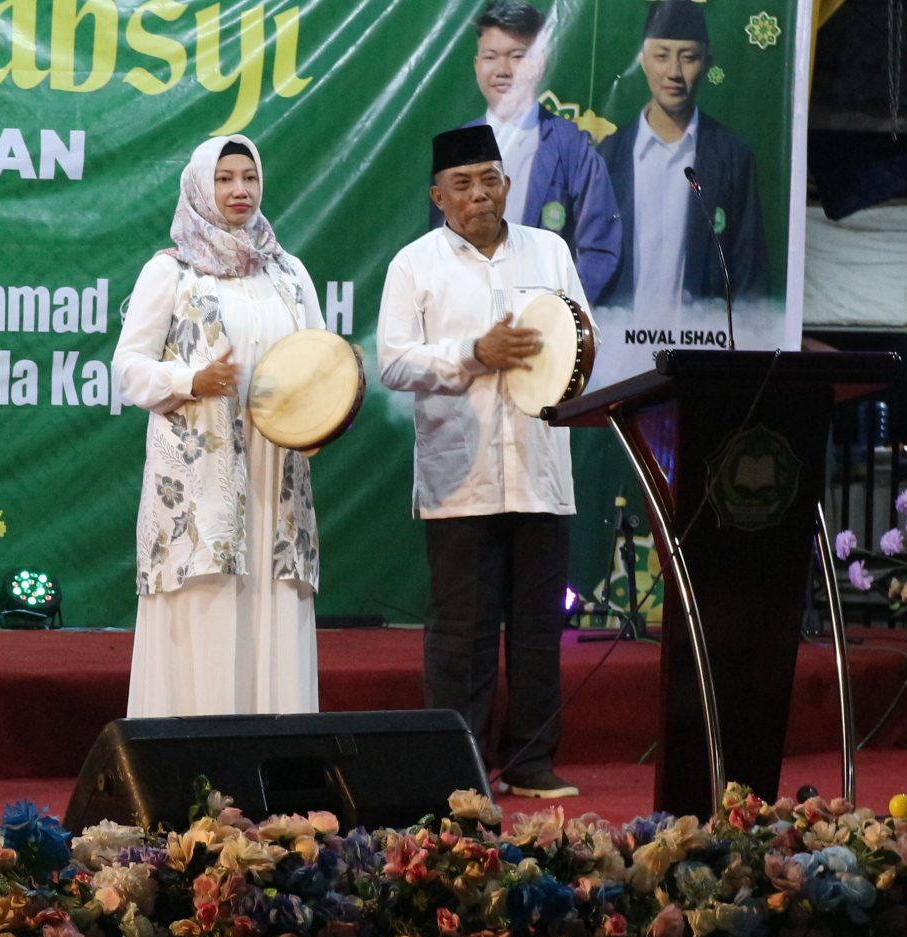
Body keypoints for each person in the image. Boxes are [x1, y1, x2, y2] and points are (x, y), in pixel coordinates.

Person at [377, 124, 585, 801]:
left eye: (489, 180)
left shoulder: (549, 251)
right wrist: (474, 354)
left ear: (507, 184)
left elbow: (582, 335)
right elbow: (394, 362)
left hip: (539, 467)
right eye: (462, 184)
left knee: (537, 628)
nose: (479, 195)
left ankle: (531, 761)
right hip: (460, 477)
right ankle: (459, 765)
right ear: (438, 196)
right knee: (460, 633)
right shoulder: (414, 265)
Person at [113, 135, 326, 717]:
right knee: (206, 608)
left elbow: (320, 361)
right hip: (201, 477)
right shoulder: (171, 271)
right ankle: (194, 762)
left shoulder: (288, 272)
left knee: (272, 608)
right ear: (200, 187)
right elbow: (127, 370)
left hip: (276, 476)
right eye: (224, 178)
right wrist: (191, 380)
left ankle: (276, 760)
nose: (239, 190)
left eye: (249, 177)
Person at [442, 0, 622, 300]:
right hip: (471, 317)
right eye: (490, 57)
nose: (502, 69)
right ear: (476, 66)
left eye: (517, 56)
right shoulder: (456, 147)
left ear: (540, 63)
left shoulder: (572, 146)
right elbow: (441, 250)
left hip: (547, 318)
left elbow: (600, 248)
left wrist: (557, 312)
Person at [595, 0, 766, 314]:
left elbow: (749, 271)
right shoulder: (608, 155)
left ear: (706, 62)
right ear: (643, 60)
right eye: (661, 56)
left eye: (688, 58)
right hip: (620, 335)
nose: (674, 72)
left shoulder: (732, 156)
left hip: (700, 338)